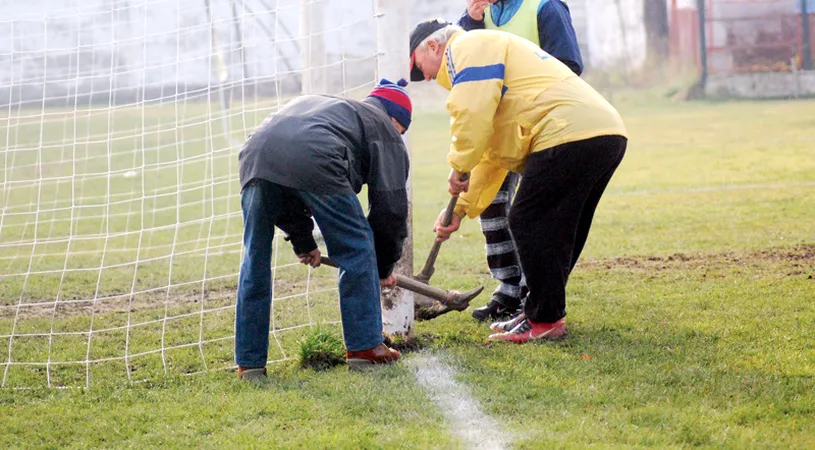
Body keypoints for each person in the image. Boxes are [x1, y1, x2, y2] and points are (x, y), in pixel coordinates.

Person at [409, 20, 627, 343]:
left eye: (418, 67)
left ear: (432, 46)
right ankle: (539, 311)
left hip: (566, 131)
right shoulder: (482, 59)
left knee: (527, 219)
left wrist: (458, 164)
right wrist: (460, 209)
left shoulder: (466, 48)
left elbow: (471, 115)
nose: (424, 77)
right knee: (561, 228)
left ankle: (545, 319)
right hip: (602, 132)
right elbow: (490, 155)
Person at [235, 79, 412, 379]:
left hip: (255, 153)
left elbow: (287, 182)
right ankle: (365, 347)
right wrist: (381, 268)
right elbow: (391, 210)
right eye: (402, 132)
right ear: (396, 120)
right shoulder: (384, 128)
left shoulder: (337, 110)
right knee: (356, 246)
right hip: (316, 153)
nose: (400, 137)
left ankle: (249, 363)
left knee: (255, 259)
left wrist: (304, 241)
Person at [457, 0, 585, 322]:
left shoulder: (545, 7)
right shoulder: (479, 13)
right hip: (501, 126)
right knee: (490, 204)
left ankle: (532, 293)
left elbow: (569, 64)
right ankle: (508, 290)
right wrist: (470, 21)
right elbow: (463, 61)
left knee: (530, 215)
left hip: (544, 125)